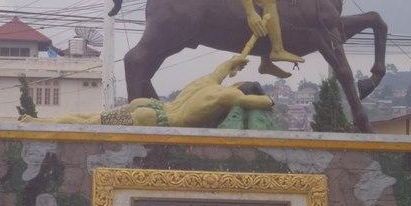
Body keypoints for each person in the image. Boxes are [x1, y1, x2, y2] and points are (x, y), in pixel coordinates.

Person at [19, 55, 273, 128]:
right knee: (92, 122)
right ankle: (40, 123)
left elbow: (221, 68)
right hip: (157, 119)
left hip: (153, 107)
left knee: (92, 119)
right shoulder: (229, 96)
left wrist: (233, 63)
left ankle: (42, 121)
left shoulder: (210, 83)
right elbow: (252, 102)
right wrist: (268, 100)